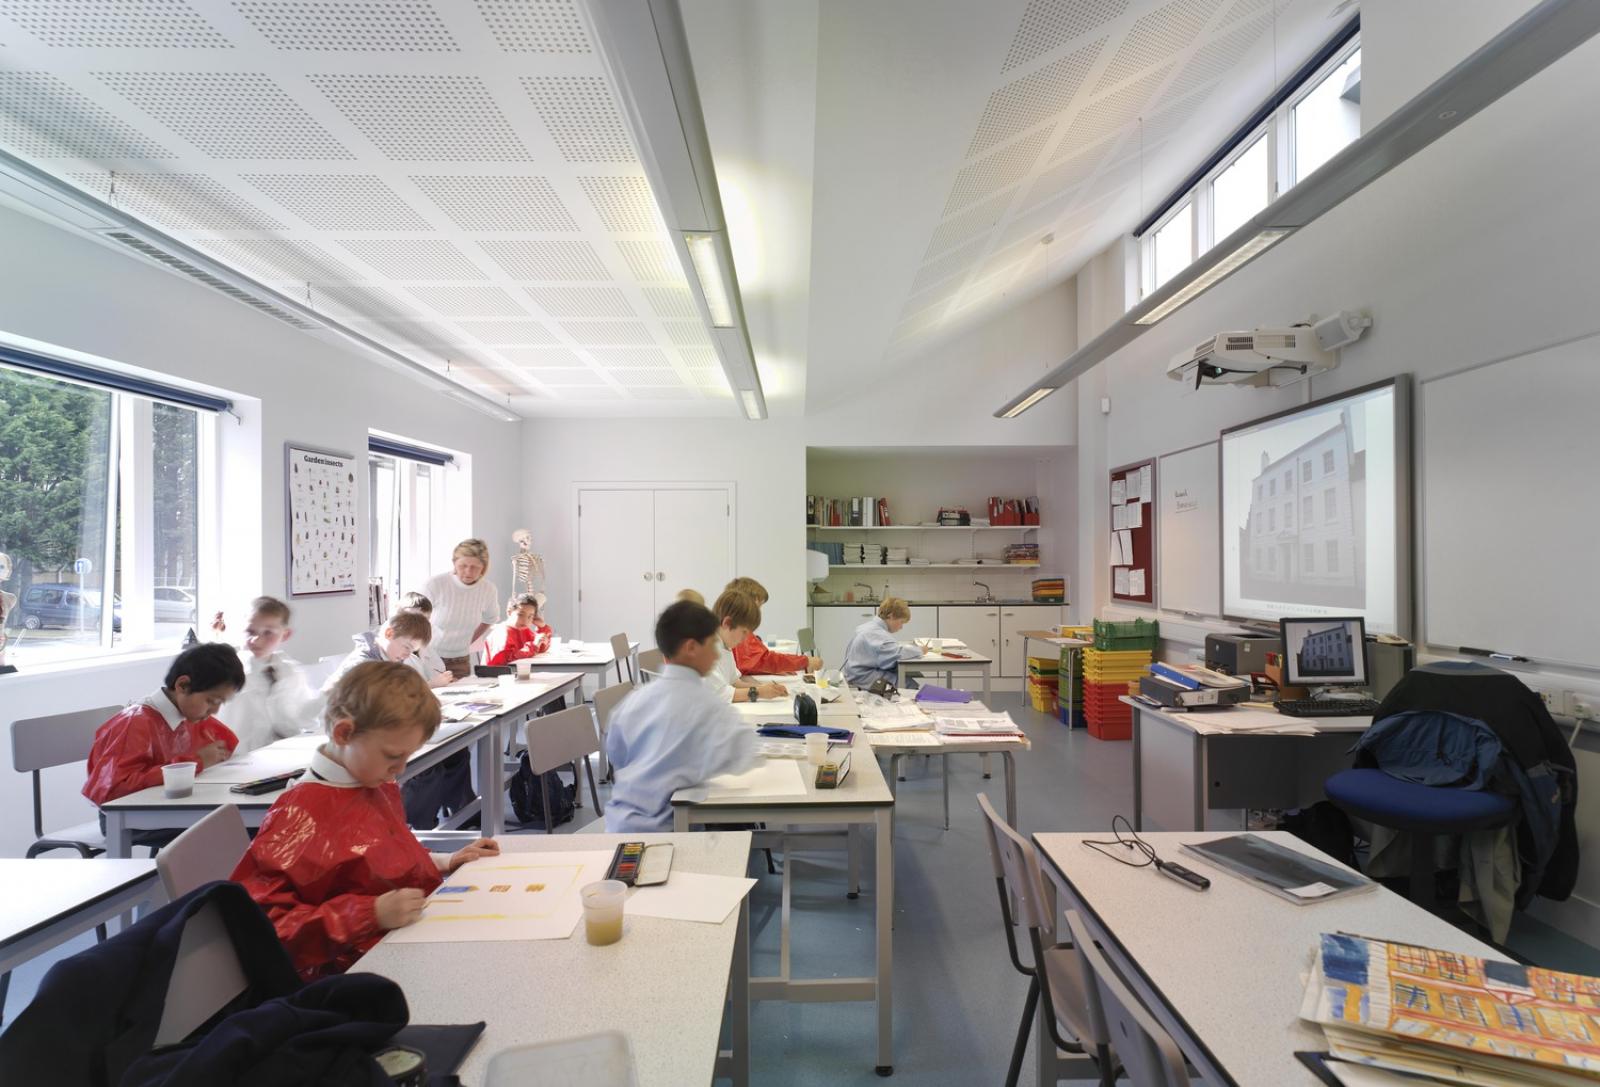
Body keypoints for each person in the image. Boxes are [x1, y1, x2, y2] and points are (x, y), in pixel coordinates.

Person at [231, 662, 499, 980]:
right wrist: (369, 915)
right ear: (344, 733)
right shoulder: (297, 818)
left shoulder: (371, 781)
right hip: (355, 977)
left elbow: (382, 855)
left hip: (405, 941)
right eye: (392, 756)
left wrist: (445, 861)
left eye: (407, 757)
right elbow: (264, 928)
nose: (400, 770)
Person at [604, 601, 757, 832]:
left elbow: (616, 753)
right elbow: (743, 753)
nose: (717, 655)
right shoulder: (707, 704)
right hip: (671, 831)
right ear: (692, 648)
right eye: (712, 645)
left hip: (620, 825)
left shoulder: (633, 701)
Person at [83, 643, 244, 806]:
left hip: (173, 809)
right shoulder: (135, 723)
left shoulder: (191, 716)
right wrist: (197, 761)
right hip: (133, 821)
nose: (215, 711)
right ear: (183, 685)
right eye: (211, 701)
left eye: (221, 703)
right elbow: (111, 790)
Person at [221, 596, 323, 752]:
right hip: (237, 757)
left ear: (285, 634)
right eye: (250, 631)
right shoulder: (228, 673)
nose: (256, 640)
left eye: (268, 633)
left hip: (279, 756)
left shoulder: (292, 674)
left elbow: (300, 718)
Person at [421, 539, 499, 681]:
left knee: (461, 701)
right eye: (463, 565)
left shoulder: (488, 590)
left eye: (475, 567)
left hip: (460, 660)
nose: (468, 572)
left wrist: (467, 642)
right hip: (430, 657)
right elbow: (415, 620)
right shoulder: (435, 585)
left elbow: (490, 619)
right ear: (454, 563)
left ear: (484, 567)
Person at [723, 576, 822, 676]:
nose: (757, 613)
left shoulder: (735, 629)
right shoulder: (738, 630)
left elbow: (749, 663)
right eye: (757, 607)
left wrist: (773, 670)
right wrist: (804, 661)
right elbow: (761, 660)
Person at [706, 589, 788, 703]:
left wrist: (765, 687)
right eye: (744, 632)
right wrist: (759, 692)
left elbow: (734, 682)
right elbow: (721, 694)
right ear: (727, 623)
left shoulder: (725, 645)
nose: (745, 639)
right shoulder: (705, 649)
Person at [322, 609, 433, 693]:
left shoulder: (390, 658)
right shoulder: (363, 663)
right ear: (389, 634)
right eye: (407, 647)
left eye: (412, 651)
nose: (408, 655)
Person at [841, 597, 921, 689]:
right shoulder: (876, 633)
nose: (901, 627)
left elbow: (888, 652)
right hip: (863, 676)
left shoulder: (871, 627)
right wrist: (920, 650)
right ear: (891, 616)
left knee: (904, 678)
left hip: (859, 672)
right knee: (909, 684)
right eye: (901, 622)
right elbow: (898, 654)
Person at [395, 591, 452, 687]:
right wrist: (430, 684)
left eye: (425, 620)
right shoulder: (391, 650)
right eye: (415, 619)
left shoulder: (426, 648)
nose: (421, 625)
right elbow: (396, 691)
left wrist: (445, 678)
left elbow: (440, 670)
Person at [483, 592, 552, 666]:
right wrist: (533, 646)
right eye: (521, 615)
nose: (525, 620)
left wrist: (542, 628)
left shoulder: (523, 630)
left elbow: (538, 649)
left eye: (530, 616)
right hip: (497, 676)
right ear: (509, 612)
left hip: (517, 673)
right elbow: (505, 662)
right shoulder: (502, 633)